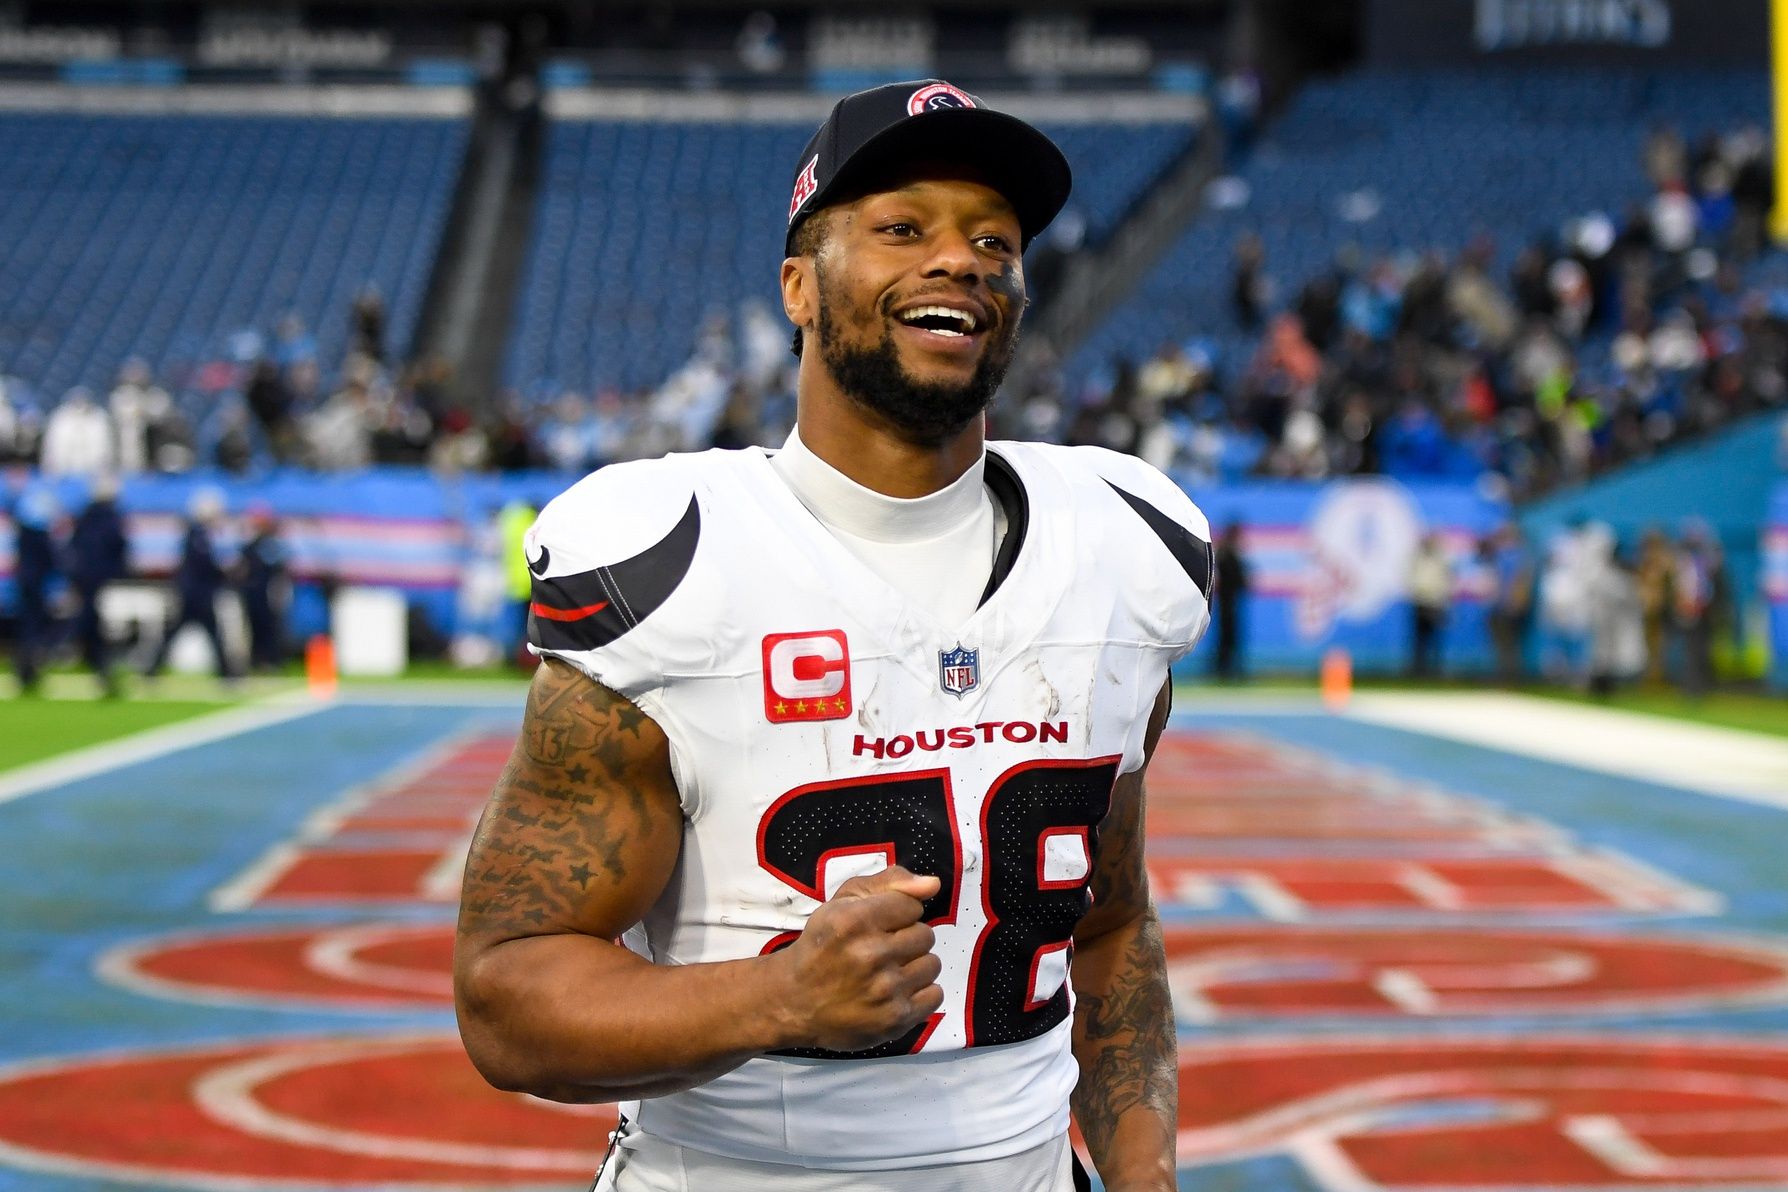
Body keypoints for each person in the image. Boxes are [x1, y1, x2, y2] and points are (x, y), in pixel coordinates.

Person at [454, 79, 1209, 1192]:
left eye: (992, 239)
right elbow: (507, 994)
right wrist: (778, 996)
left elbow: (1107, 930)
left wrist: (1145, 1180)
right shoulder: (676, 560)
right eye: (902, 228)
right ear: (799, 288)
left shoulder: (1124, 548)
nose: (960, 260)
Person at [143, 489, 237, 682]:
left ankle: (226, 674)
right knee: (205, 634)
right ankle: (226, 675)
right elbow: (204, 564)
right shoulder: (197, 535)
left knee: (205, 634)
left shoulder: (200, 535)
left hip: (196, 593)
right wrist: (223, 571)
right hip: (195, 595)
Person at [68, 476, 129, 696]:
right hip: (104, 579)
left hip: (84, 577)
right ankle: (99, 665)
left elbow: (73, 545)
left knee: (89, 621)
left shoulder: (85, 516)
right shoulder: (112, 518)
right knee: (93, 623)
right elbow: (119, 547)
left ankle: (97, 664)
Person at [235, 504, 288, 673]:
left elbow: (276, 566)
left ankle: (272, 661)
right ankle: (256, 661)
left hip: (267, 593)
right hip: (252, 593)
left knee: (270, 628)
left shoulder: (271, 543)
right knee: (253, 628)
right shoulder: (252, 544)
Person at [1407, 531, 1452, 678]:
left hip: (1435, 602)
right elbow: (1411, 578)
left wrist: (1443, 599)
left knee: (1435, 639)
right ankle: (1419, 669)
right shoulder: (1417, 558)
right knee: (1419, 639)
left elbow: (1445, 581)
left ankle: (1436, 669)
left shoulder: (1441, 559)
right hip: (1420, 601)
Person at [1213, 520, 1249, 680]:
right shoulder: (1226, 552)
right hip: (1227, 602)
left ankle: (1229, 668)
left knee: (1231, 636)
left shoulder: (1230, 552)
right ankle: (1223, 669)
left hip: (1231, 601)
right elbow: (1230, 577)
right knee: (1226, 637)